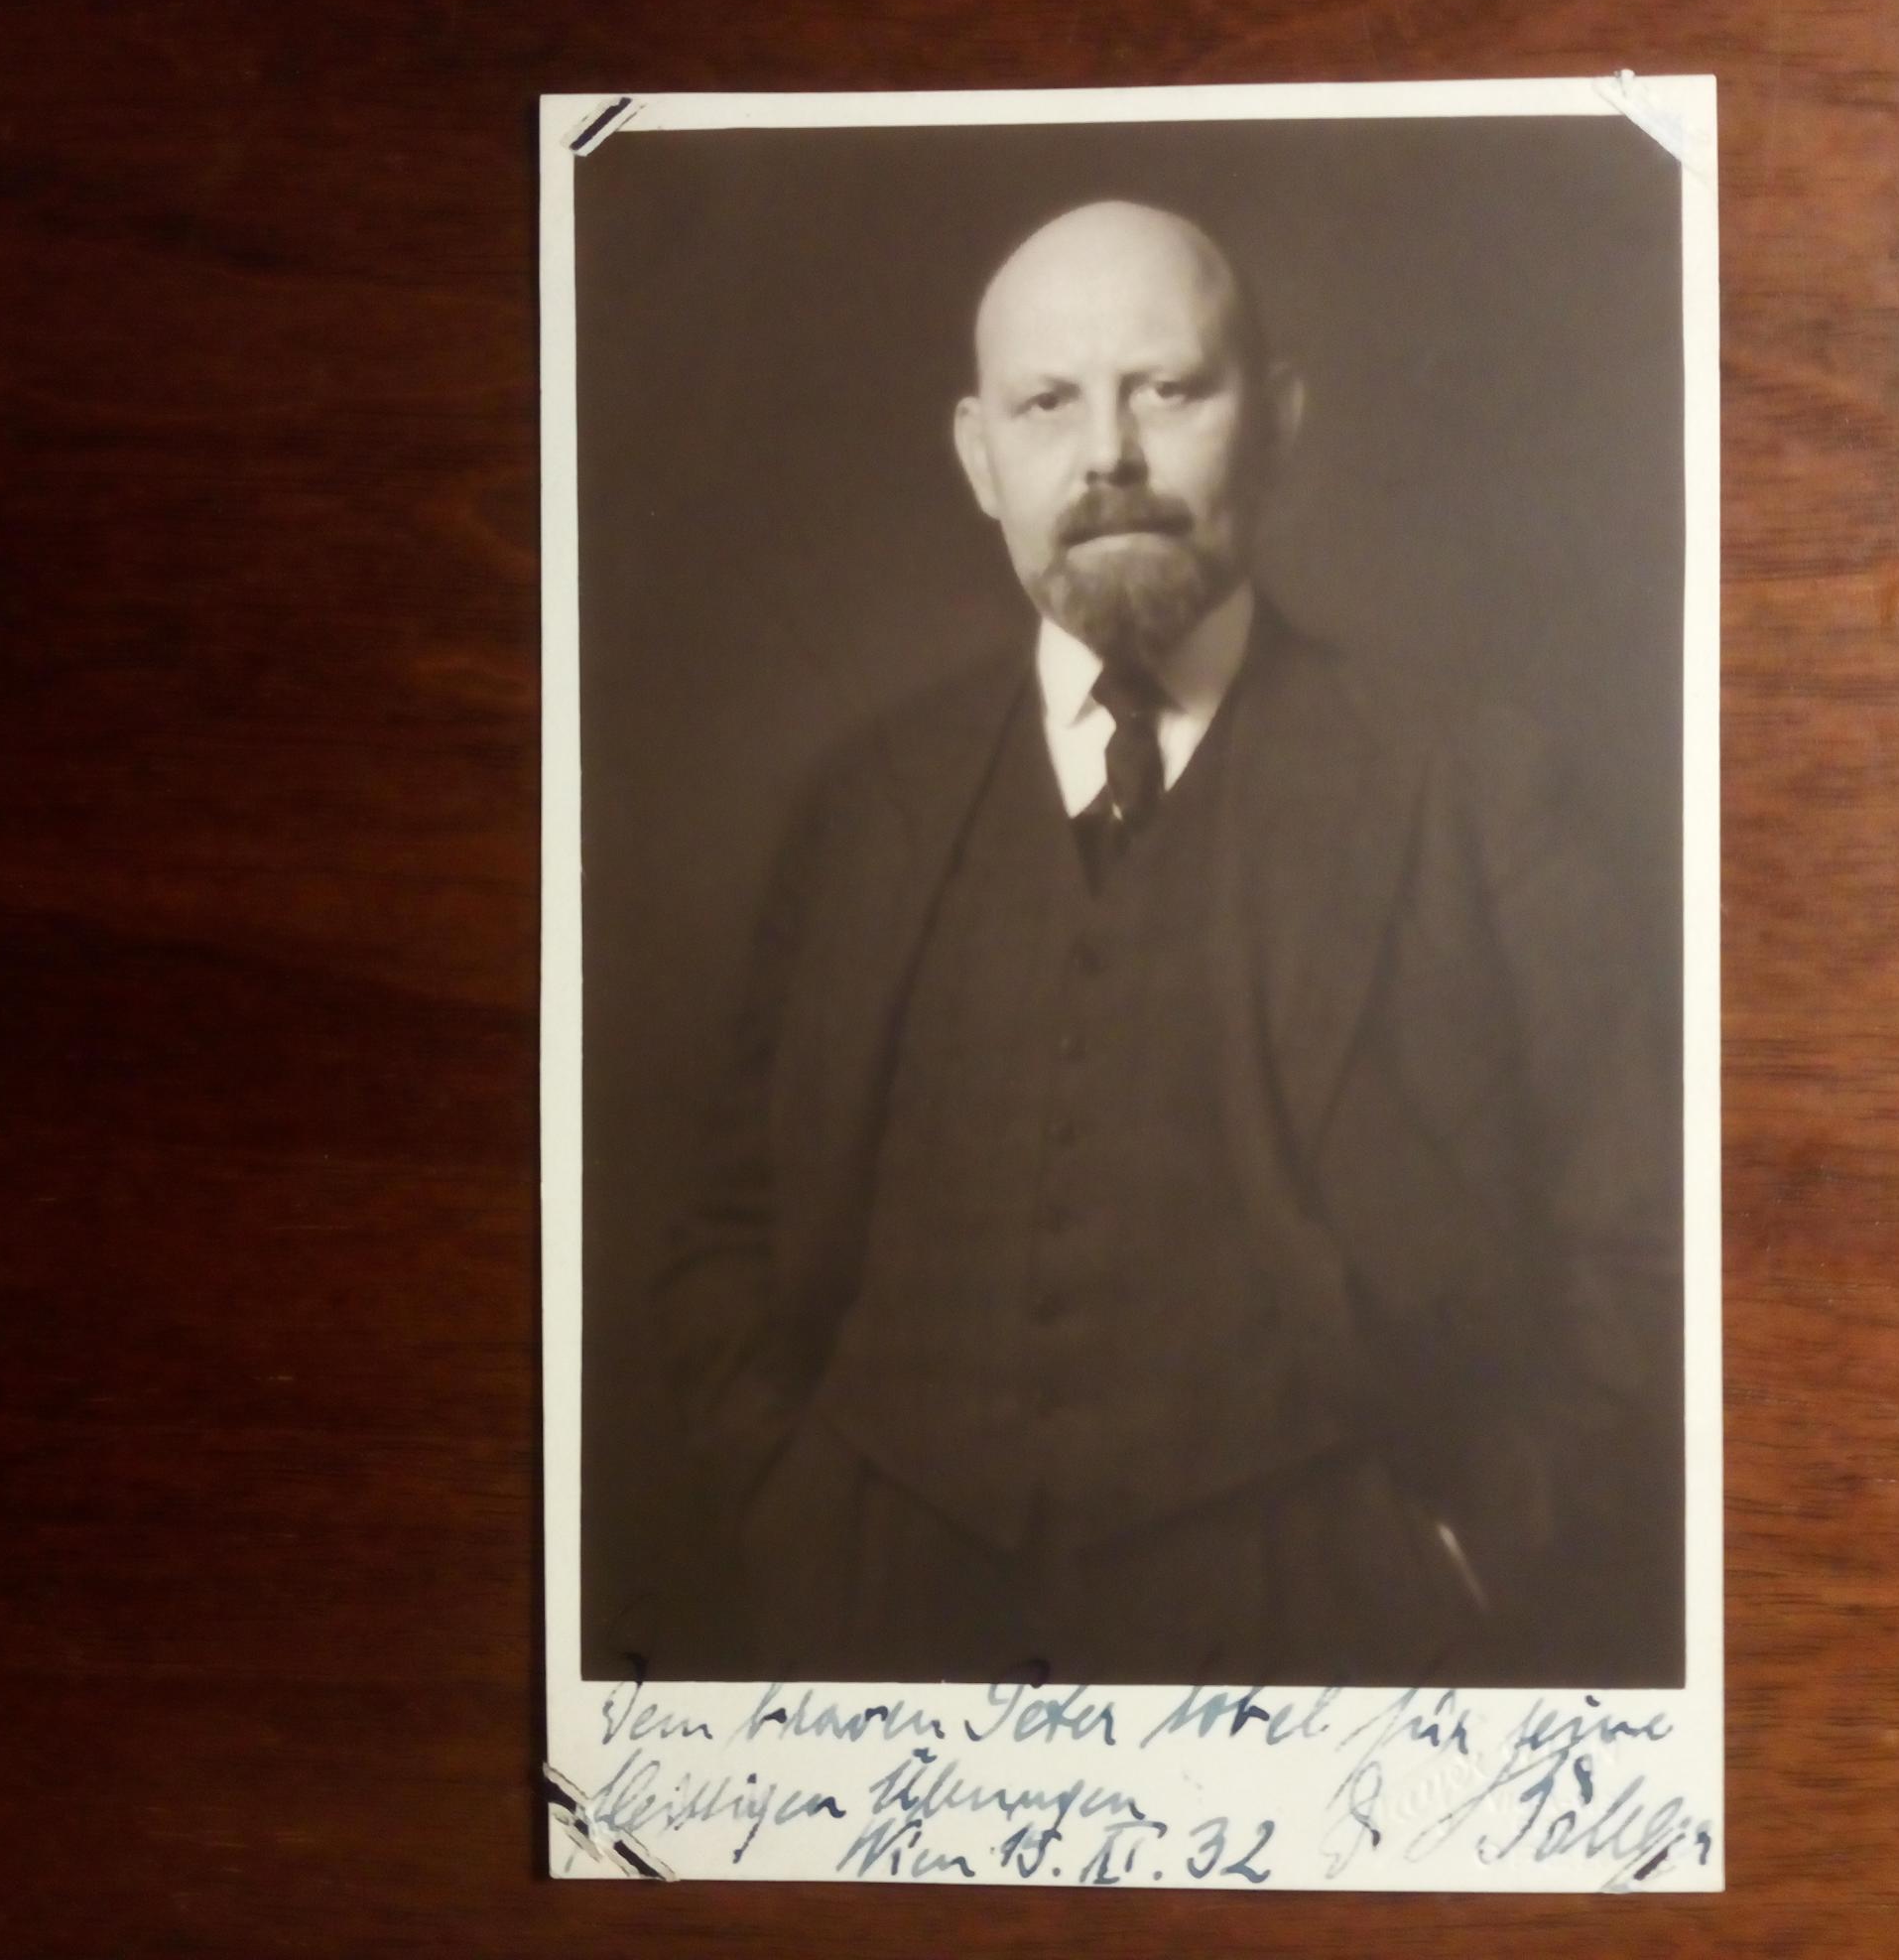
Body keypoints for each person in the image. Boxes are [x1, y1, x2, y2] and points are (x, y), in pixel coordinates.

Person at [660, 199, 1681, 1686]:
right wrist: (797, 1520)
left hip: (1325, 1643)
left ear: (1277, 421)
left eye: (1168, 389)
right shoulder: (862, 806)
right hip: (892, 1631)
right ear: (978, 456)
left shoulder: (1472, 787)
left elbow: (1644, 1245)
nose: (1110, 457)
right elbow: (728, 1236)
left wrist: (1472, 1557)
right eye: (1048, 404)